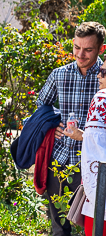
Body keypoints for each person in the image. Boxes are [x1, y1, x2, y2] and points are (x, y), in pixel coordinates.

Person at [37, 21, 106, 236]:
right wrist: (52, 125)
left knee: (92, 226)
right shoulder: (59, 74)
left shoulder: (105, 77)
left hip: (94, 165)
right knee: (59, 226)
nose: (80, 54)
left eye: (88, 50)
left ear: (101, 48)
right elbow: (41, 105)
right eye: (77, 47)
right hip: (59, 158)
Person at [64, 62, 106, 235]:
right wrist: (84, 135)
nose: (98, 76)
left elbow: (97, 151)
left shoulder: (102, 98)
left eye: (103, 72)